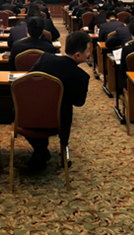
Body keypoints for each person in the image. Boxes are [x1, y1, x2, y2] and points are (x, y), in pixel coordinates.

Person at [26, 31, 92, 172]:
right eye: (87, 51)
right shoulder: (81, 77)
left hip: (28, 116)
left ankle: (40, 149)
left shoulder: (45, 58)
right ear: (78, 55)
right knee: (65, 109)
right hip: (57, 120)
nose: (89, 54)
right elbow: (78, 103)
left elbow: (28, 79)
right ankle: (52, 150)